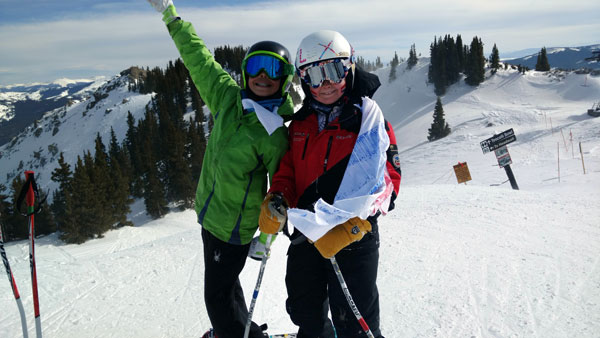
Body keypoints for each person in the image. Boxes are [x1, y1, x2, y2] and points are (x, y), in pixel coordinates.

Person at [146, 1, 295, 337]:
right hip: (210, 217)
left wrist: (268, 237)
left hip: (233, 231)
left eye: (272, 71)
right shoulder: (229, 99)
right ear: (245, 71)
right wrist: (171, 15)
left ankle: (234, 333)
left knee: (216, 297)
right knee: (226, 288)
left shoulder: (273, 134)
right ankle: (243, 330)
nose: (261, 77)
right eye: (256, 67)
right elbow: (199, 60)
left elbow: (281, 190)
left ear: (283, 80)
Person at [259, 30, 402, 338]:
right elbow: (288, 174)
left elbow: (388, 187)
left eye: (333, 71)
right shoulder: (299, 125)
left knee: (354, 319)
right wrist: (278, 197)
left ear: (349, 69)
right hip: (307, 234)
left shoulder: (368, 122)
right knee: (303, 309)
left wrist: (353, 225)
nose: (323, 84)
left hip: (353, 238)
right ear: (302, 79)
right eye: (313, 74)